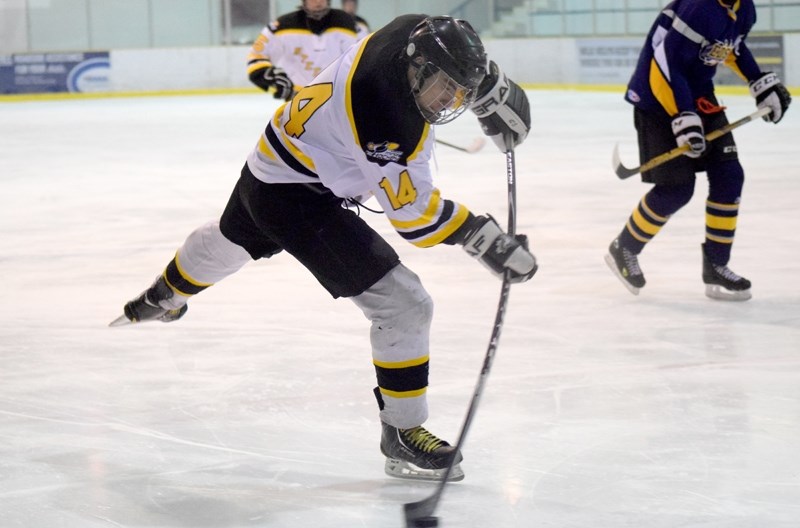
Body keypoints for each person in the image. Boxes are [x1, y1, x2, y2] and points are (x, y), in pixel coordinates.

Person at [111, 15, 534, 482]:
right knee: (404, 305)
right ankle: (403, 432)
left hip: (272, 157)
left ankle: (163, 296)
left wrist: (486, 90)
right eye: (442, 88)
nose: (446, 102)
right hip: (298, 196)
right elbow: (414, 219)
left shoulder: (410, 32)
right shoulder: (385, 116)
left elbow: (451, 57)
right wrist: (483, 238)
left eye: (457, 91)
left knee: (230, 240)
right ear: (416, 67)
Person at [605, 0, 791, 301]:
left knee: (730, 176)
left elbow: (733, 48)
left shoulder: (744, 8)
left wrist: (759, 82)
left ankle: (716, 265)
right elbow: (665, 62)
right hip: (657, 101)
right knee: (677, 189)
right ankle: (624, 247)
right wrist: (683, 116)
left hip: (700, 96)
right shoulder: (699, 7)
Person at [246, 0, 358, 100]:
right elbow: (256, 56)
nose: (318, 2)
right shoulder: (282, 26)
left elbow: (361, 56)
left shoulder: (346, 22)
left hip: (338, 98)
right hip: (298, 99)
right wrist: (271, 76)